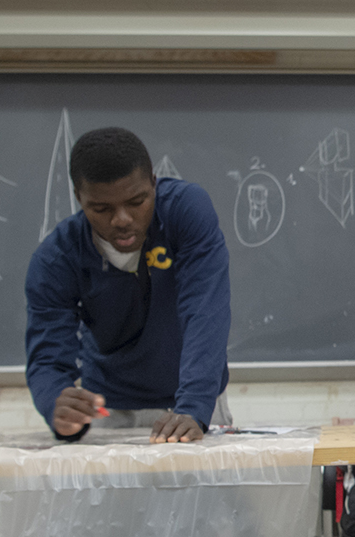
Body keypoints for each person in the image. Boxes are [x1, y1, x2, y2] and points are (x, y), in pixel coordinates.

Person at [25, 127, 233, 444]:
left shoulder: (185, 211)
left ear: (153, 181)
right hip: (110, 413)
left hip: (194, 404)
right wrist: (55, 399)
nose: (122, 219)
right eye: (101, 209)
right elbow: (47, 357)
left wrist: (193, 407)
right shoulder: (57, 259)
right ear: (79, 197)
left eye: (137, 201)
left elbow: (205, 310)